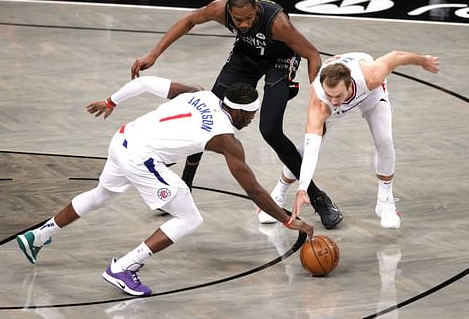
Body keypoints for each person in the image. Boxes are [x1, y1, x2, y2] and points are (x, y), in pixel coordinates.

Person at [16, 76, 314, 296]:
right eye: (250, 115)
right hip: (139, 157)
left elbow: (145, 82)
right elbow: (254, 191)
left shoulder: (201, 93)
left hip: (122, 138)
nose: (251, 120)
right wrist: (287, 219)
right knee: (189, 217)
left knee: (101, 194)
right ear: (237, 112)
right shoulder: (227, 139)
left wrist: (111, 101)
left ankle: (39, 235)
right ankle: (124, 267)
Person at [130, 0, 342, 229]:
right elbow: (189, 20)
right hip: (246, 56)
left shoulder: (278, 23)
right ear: (229, 11)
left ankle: (317, 197)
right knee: (206, 114)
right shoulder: (218, 9)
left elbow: (312, 54)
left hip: (280, 61)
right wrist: (154, 54)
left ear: (257, 10)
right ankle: (185, 185)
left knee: (270, 130)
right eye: (238, 19)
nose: (243, 24)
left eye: (249, 19)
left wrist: (317, 94)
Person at [276, 51, 439, 228]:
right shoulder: (321, 103)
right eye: (330, 94)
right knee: (304, 150)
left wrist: (422, 61)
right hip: (332, 108)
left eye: (338, 95)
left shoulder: (370, 76)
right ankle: (278, 193)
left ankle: (385, 200)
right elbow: (311, 151)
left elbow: (397, 56)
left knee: (384, 139)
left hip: (369, 94)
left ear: (349, 86)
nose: (334, 100)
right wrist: (302, 188)